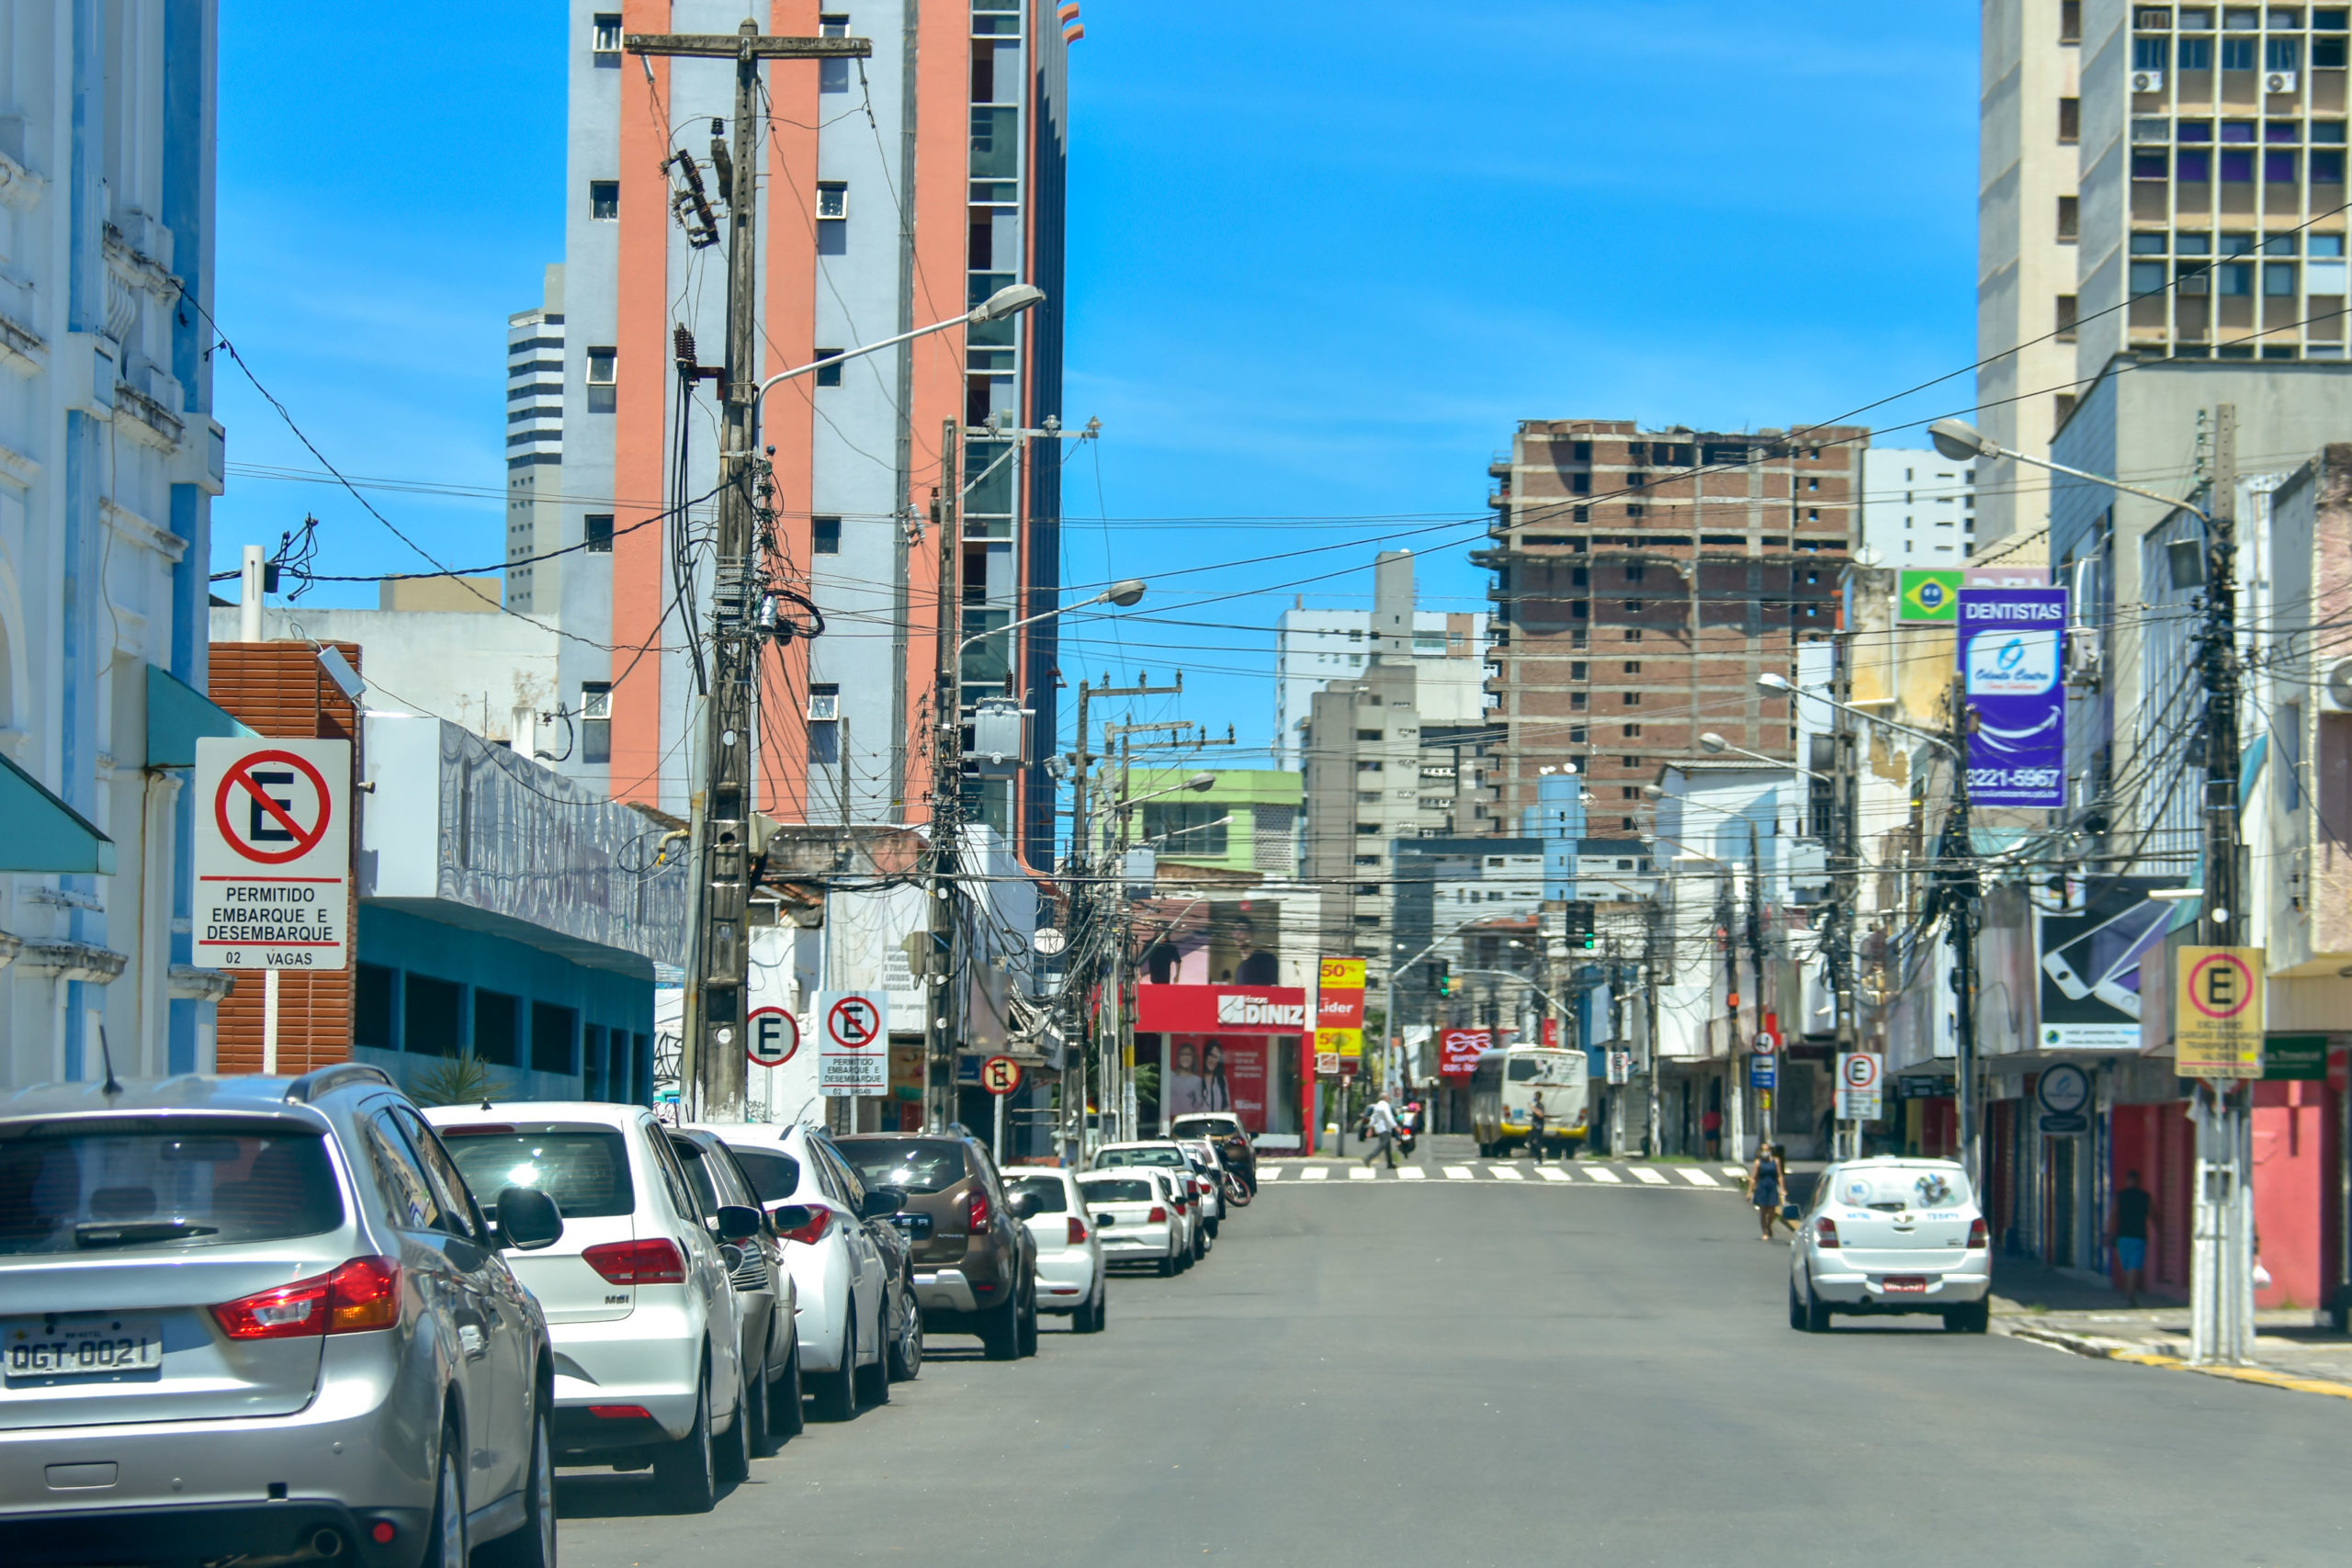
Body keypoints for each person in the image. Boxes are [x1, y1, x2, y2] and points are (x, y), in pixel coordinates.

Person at [2109, 1168, 2156, 1307]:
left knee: (2127, 1266)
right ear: (2138, 1181)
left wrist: (2108, 1233)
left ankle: (2129, 1295)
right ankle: (2130, 1295)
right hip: (2138, 1236)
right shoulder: (2145, 1196)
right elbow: (2153, 1214)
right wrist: (2159, 1231)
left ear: (2127, 1181)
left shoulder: (2120, 1196)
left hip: (2123, 1236)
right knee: (2134, 1267)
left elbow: (2113, 1215)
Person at [1748, 1141, 1786, 1240]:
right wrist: (1750, 1191)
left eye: (1767, 1150)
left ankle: (1769, 1225)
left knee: (1772, 1211)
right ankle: (1764, 1231)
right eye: (1763, 1150)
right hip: (1762, 1188)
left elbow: (1780, 1176)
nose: (1765, 1152)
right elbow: (1754, 1178)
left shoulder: (1776, 1161)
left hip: (1772, 1187)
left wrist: (1782, 1189)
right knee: (1763, 1211)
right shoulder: (1758, 1162)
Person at [1230, 916, 1280, 986]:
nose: (1238, 934)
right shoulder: (1242, 966)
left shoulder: (1266, 959)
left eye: (1242, 929)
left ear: (1251, 934)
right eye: (1234, 930)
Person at [1362, 1094, 1399, 1169]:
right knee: (1382, 1145)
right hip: (1385, 1129)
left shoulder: (1377, 1105)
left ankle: (1390, 1163)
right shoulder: (1385, 1105)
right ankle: (1368, 1158)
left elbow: (1373, 1117)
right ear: (1385, 1098)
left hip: (1379, 1129)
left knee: (1387, 1147)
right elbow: (1389, 1117)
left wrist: (1370, 1128)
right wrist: (1396, 1127)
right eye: (1388, 1097)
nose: (1389, 1098)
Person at [1201, 1041, 1233, 1112]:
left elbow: (1226, 1108)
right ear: (1205, 1056)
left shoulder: (1222, 1081)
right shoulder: (1197, 1079)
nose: (1213, 1060)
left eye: (1216, 1057)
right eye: (1211, 1055)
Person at [1528, 1091, 1549, 1164]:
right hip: (1534, 1127)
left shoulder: (1540, 1105)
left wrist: (1533, 1108)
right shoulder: (1536, 1105)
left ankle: (1540, 1158)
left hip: (1538, 1127)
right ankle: (1536, 1156)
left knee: (1537, 1143)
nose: (1534, 1098)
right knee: (1530, 1142)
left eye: (1536, 1096)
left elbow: (1541, 1114)